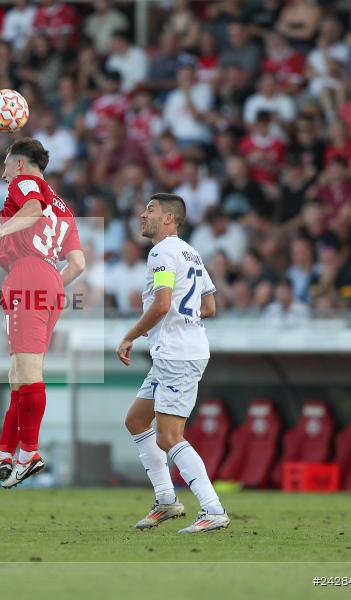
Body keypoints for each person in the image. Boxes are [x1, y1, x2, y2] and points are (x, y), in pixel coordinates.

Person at [0, 138, 85, 490]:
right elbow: (78, 263)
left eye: (5, 164)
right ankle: (4, 455)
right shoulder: (64, 208)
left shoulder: (26, 182)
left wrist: (2, 229)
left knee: (28, 373)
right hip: (47, 279)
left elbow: (31, 208)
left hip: (29, 274)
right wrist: (51, 287)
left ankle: (29, 452)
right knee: (18, 374)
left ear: (19, 164)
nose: (3, 173)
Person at [117, 193, 230, 534]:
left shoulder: (162, 253)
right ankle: (166, 499)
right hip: (175, 352)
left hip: (177, 354)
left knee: (169, 436)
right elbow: (209, 306)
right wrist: (185, 317)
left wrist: (130, 335)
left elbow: (163, 304)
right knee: (137, 421)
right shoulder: (190, 252)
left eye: (150, 209)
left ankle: (212, 508)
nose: (142, 215)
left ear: (169, 218)